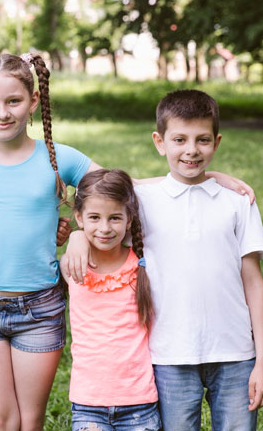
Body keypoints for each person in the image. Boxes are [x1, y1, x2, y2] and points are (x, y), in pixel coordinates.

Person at [62, 89, 263, 431]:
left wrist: (262, 361)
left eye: (202, 140)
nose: (191, 150)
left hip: (236, 353)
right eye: (180, 140)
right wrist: (75, 235)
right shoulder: (141, 202)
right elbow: (100, 200)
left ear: (216, 143)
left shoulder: (237, 202)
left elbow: (254, 282)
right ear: (159, 142)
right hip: (168, 355)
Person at [0, 52, 96, 431]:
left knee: (29, 421)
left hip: (39, 310)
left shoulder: (58, 159)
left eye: (13, 101)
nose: (2, 113)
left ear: (33, 101)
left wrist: (80, 234)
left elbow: (119, 191)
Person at [66, 168, 161, 431]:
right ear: (79, 217)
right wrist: (75, 237)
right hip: (88, 404)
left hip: (139, 403)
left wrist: (213, 177)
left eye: (115, 218)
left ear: (129, 220)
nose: (105, 228)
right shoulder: (73, 265)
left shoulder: (144, 266)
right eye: (94, 217)